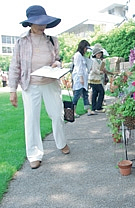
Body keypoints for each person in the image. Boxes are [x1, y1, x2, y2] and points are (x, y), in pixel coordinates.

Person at [9, 5, 69, 169]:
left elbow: (56, 59)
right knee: (32, 120)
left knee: (57, 115)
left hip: (50, 82)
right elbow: (15, 66)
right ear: (30, 23)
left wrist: (57, 64)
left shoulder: (51, 40)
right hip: (31, 85)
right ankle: (34, 154)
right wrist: (12, 90)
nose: (42, 26)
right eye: (38, 23)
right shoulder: (21, 42)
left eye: (44, 23)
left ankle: (61, 143)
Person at [88, 44, 113, 113]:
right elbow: (94, 70)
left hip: (96, 79)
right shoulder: (94, 61)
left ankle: (94, 107)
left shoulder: (99, 60)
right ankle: (98, 107)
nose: (99, 54)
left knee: (95, 93)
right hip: (94, 79)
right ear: (95, 54)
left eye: (99, 53)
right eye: (97, 53)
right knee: (101, 92)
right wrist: (101, 72)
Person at [72, 40, 93, 117]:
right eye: (86, 48)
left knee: (85, 94)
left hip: (83, 78)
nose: (86, 50)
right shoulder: (77, 55)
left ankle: (88, 110)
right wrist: (81, 78)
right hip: (79, 78)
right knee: (77, 95)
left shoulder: (82, 56)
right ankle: (72, 111)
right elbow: (78, 68)